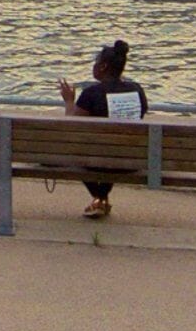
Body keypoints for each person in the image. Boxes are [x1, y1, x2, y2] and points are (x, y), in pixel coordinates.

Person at [60, 40, 147, 220]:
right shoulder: (137, 90)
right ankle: (101, 199)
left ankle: (99, 197)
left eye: (96, 61)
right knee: (114, 146)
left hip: (99, 160)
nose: (94, 65)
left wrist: (69, 101)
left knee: (74, 151)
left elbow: (71, 127)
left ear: (103, 66)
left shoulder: (91, 94)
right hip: (131, 159)